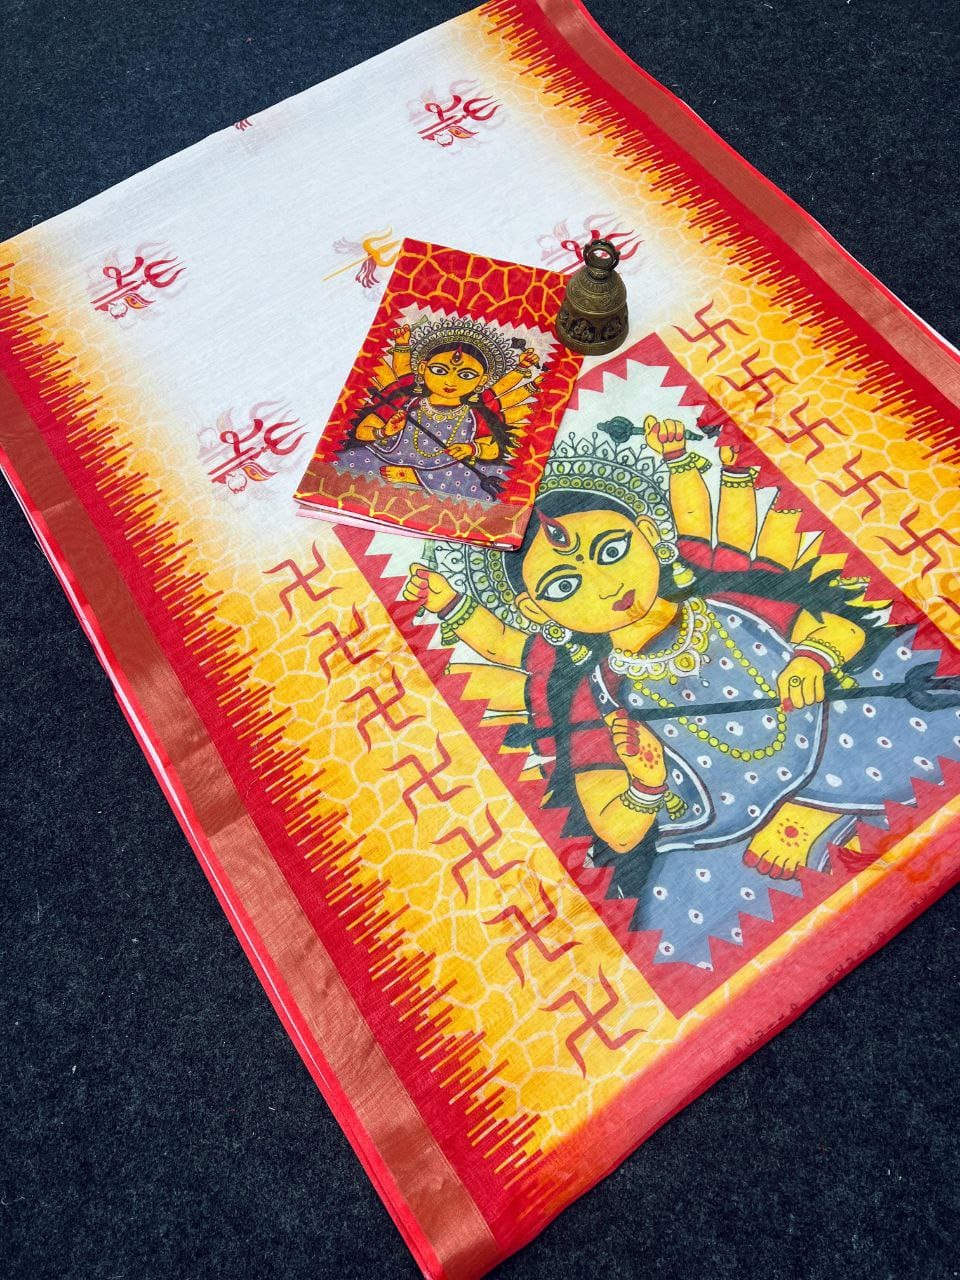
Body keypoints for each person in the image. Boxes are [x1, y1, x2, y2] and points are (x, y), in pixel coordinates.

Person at [402, 416, 960, 966]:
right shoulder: (597, 696)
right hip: (726, 836)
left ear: (649, 535)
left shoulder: (722, 608)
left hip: (839, 749)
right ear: (535, 610)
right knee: (682, 942)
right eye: (566, 586)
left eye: (612, 551)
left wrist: (812, 657)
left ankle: (825, 809)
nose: (607, 586)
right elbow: (617, 831)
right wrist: (644, 785)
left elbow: (839, 629)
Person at [344, 315, 541, 503]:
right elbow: (362, 431)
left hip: (448, 471)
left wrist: (471, 448)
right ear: (422, 368)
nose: (450, 381)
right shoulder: (406, 401)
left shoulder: (474, 414)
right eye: (439, 371)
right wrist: (384, 431)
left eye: (466, 375)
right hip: (389, 458)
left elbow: (492, 448)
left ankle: (418, 477)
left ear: (482, 380)